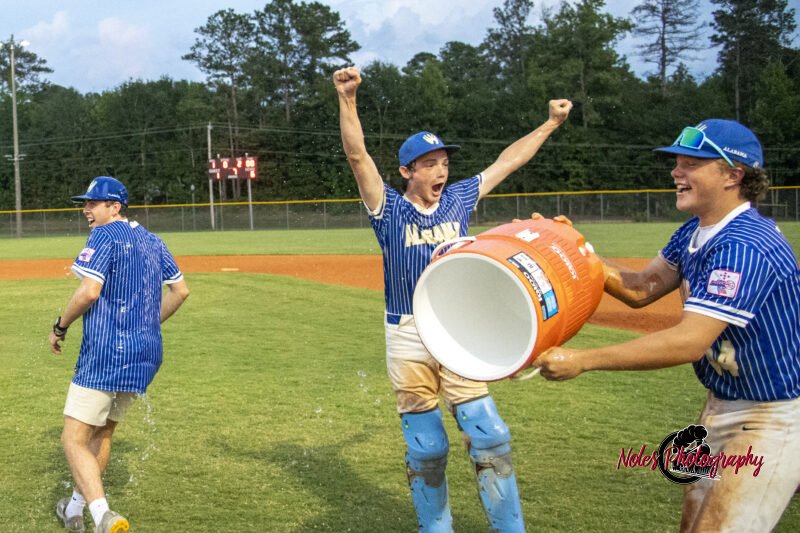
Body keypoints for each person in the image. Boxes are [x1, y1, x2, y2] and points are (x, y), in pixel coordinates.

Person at [334, 65, 571, 532]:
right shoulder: (390, 207)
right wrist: (347, 97)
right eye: (430, 163)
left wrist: (550, 123)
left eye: (444, 161)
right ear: (407, 171)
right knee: (426, 447)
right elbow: (358, 156)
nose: (441, 170)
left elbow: (508, 161)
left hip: (458, 328)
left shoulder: (460, 198)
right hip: (406, 332)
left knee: (490, 436)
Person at [532, 119, 800, 532]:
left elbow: (690, 341)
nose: (677, 171)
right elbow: (641, 288)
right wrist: (574, 248)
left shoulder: (744, 245)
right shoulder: (695, 230)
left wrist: (583, 360)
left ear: (733, 174)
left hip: (773, 412)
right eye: (677, 161)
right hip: (722, 403)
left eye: (692, 162)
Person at [48, 176, 190, 533]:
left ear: (115, 207)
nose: (86, 210)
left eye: (93, 204)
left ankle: (102, 516)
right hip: (146, 354)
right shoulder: (154, 241)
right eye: (86, 204)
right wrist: (147, 324)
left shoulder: (104, 235)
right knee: (103, 433)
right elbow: (181, 291)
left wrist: (60, 326)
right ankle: (74, 510)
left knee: (73, 438)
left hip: (107, 352)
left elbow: (89, 292)